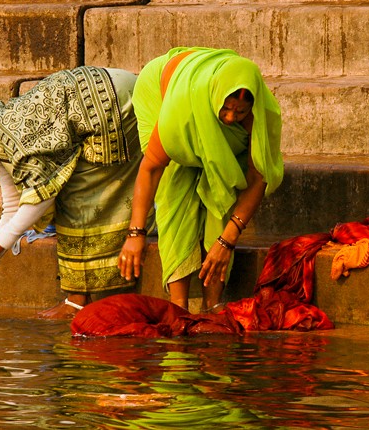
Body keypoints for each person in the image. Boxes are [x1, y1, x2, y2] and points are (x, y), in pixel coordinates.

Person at [0, 66, 149, 319]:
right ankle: (79, 298)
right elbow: (13, 206)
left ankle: (78, 301)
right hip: (110, 92)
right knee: (67, 191)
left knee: (75, 196)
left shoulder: (13, 135)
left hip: (115, 104)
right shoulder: (0, 140)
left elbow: (41, 197)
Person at [118, 47, 284, 313]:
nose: (231, 118)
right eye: (226, 109)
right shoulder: (178, 113)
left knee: (224, 180)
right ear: (217, 98)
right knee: (175, 181)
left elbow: (257, 179)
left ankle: (213, 303)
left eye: (239, 113)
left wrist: (226, 241)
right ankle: (178, 304)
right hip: (165, 90)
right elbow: (150, 169)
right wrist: (136, 233)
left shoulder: (262, 116)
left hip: (201, 90)